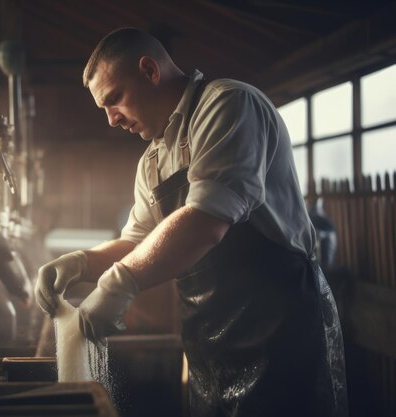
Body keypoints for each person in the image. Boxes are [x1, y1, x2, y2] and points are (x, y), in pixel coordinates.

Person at [35, 28, 348, 417]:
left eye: (114, 100)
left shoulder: (229, 105)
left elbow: (207, 218)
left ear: (149, 70)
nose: (112, 120)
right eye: (104, 109)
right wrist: (81, 262)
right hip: (211, 343)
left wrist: (122, 282)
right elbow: (136, 242)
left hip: (281, 332)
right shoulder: (153, 160)